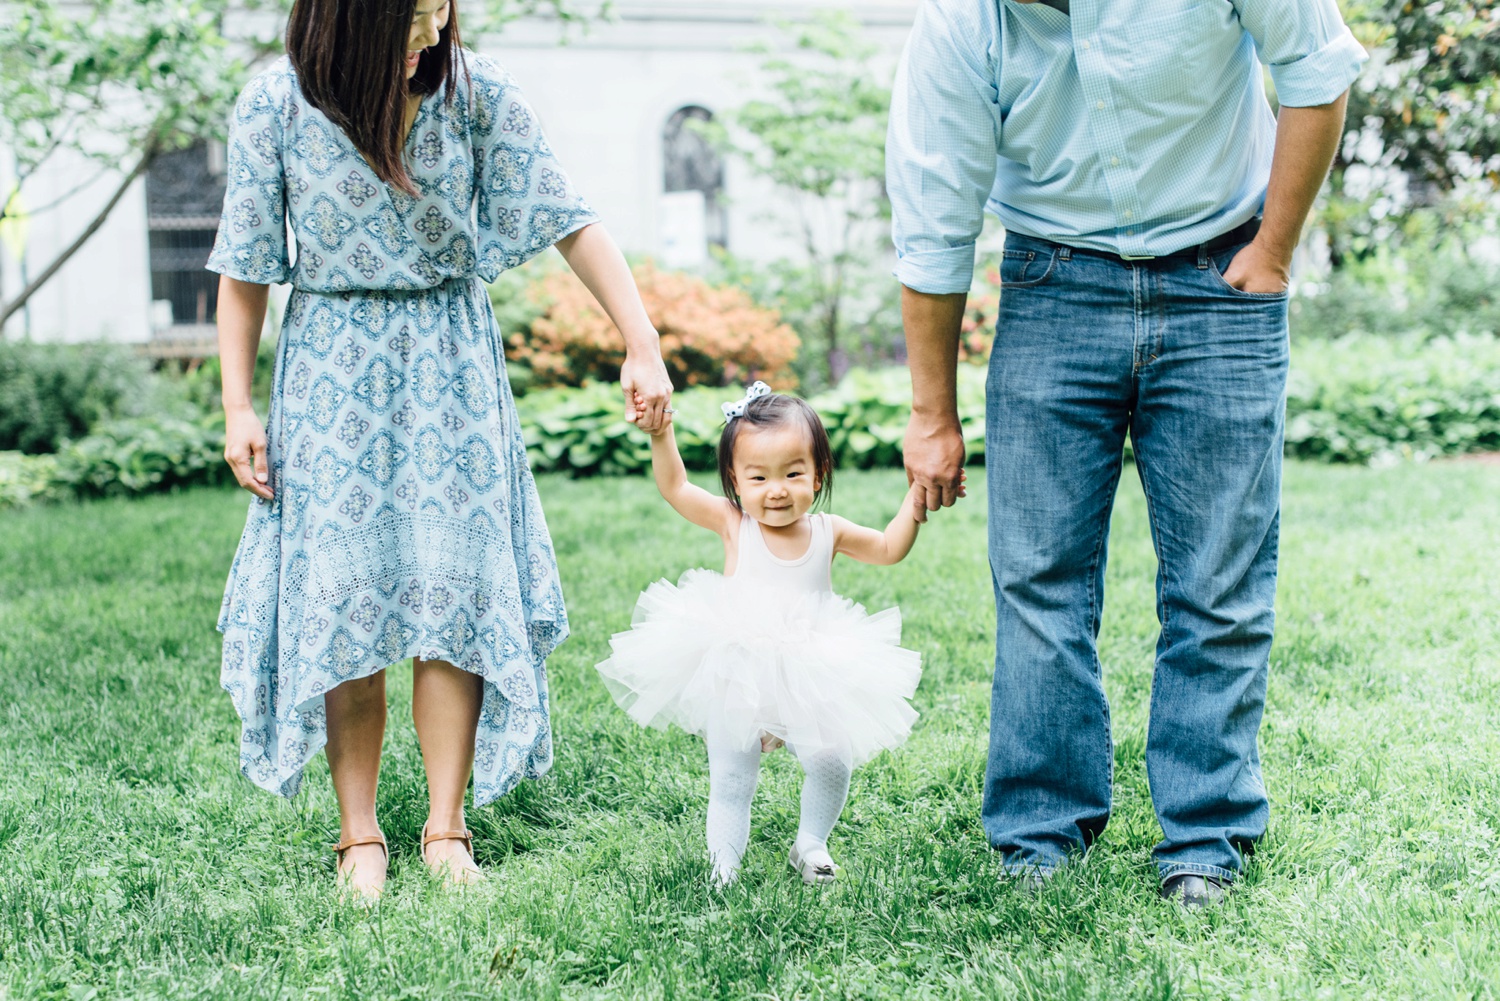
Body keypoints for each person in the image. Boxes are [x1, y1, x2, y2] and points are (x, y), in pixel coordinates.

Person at [887, 0, 1366, 907]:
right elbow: (934, 220)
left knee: (1219, 581)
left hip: (1220, 273)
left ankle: (1206, 836)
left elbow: (1318, 68)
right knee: (1038, 576)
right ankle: (1039, 831)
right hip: (1053, 285)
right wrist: (932, 413)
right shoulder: (961, 23)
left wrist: (1275, 250)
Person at [208, 0, 673, 899]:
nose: (437, 24)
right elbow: (244, 267)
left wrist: (640, 338)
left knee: (455, 587)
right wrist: (238, 406)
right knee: (345, 593)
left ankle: (446, 828)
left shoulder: (474, 93)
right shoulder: (276, 103)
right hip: (332, 368)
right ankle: (359, 839)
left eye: (444, 5)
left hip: (449, 360)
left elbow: (569, 218)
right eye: (418, 10)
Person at [595, 383, 930, 887]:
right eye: (759, 476)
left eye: (794, 473)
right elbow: (677, 489)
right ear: (735, 479)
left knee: (831, 758)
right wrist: (661, 435)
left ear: (818, 474)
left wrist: (916, 497)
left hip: (811, 667)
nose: (777, 489)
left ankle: (811, 842)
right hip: (738, 666)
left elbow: (886, 547)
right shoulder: (735, 525)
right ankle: (723, 867)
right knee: (732, 775)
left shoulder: (828, 530)